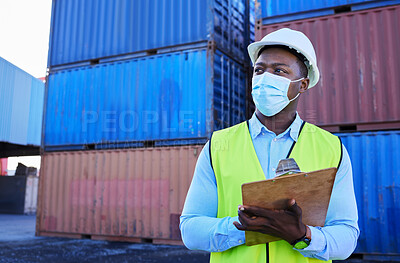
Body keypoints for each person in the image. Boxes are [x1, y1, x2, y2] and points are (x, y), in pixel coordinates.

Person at [180, 28, 359, 263]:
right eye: (259, 70)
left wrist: (302, 235)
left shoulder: (332, 149)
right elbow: (190, 229)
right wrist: (244, 229)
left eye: (279, 71)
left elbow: (346, 236)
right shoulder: (218, 145)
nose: (265, 77)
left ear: (302, 84)